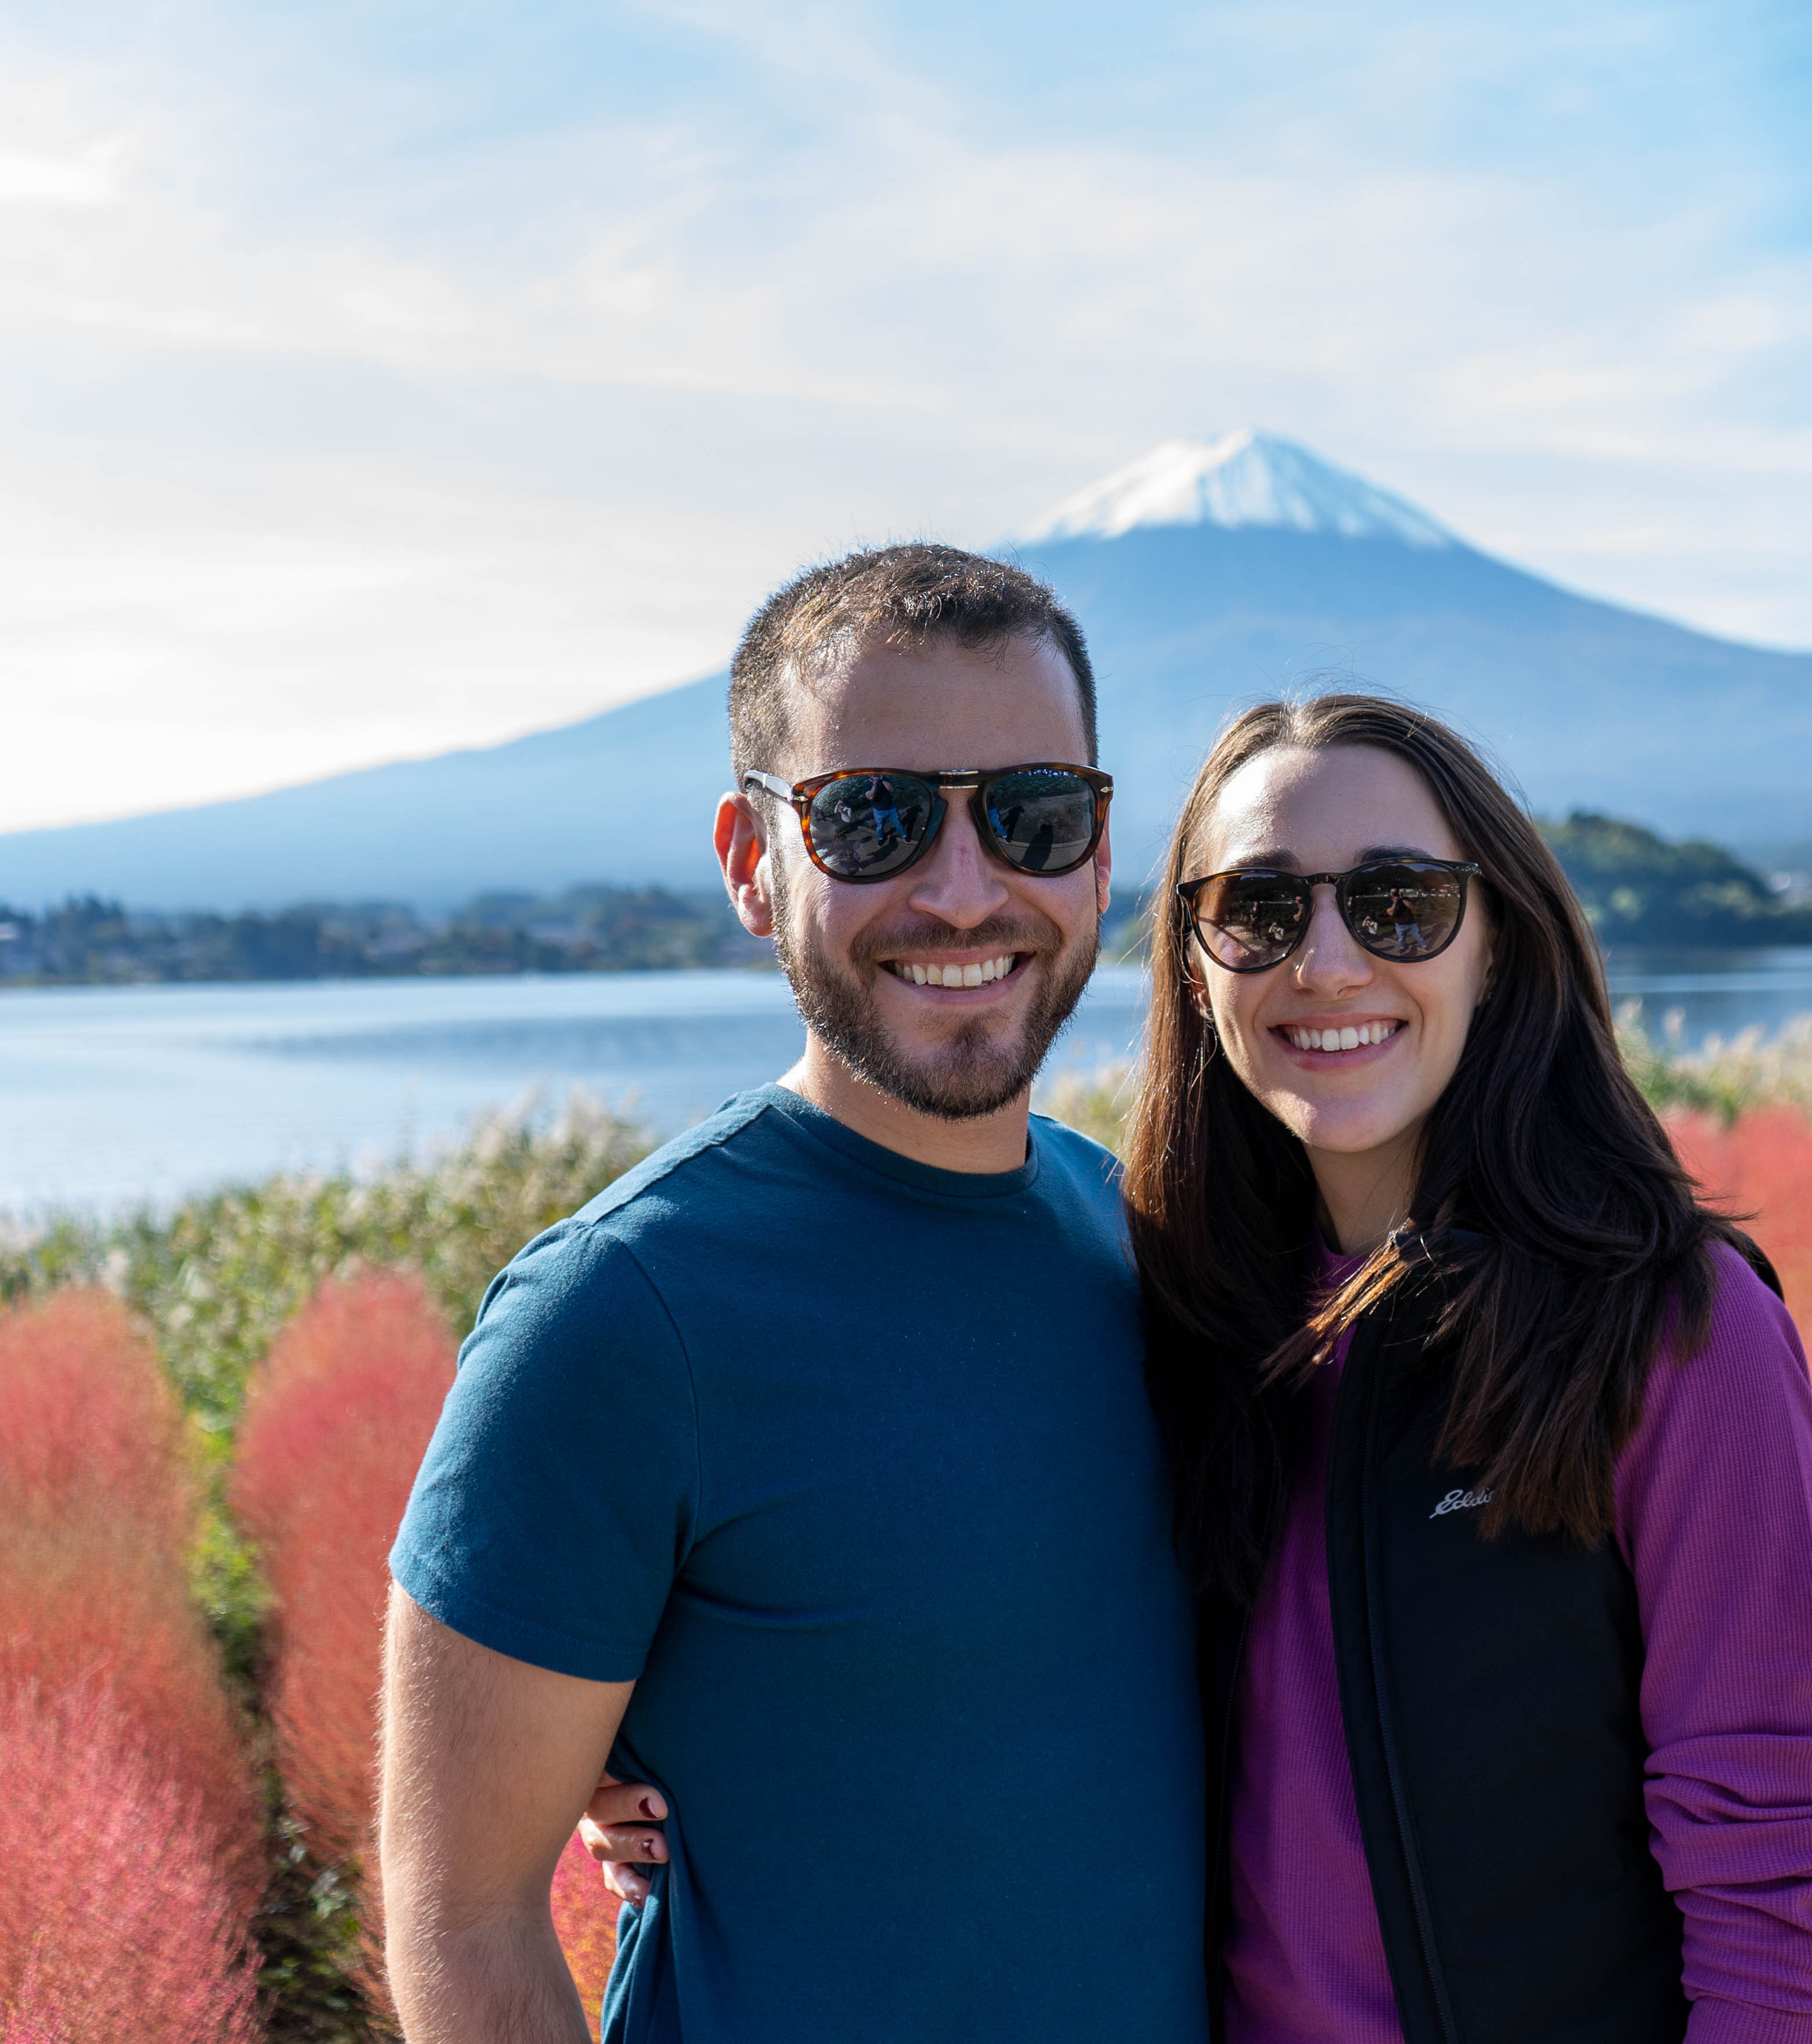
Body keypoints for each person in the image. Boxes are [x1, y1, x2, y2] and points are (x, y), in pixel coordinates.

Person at [593, 694, 1812, 2042]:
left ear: (1494, 942)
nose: (1324, 962)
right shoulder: (1171, 1313)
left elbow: (1763, 1854)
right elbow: (949, 1636)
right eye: (1257, 909)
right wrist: (666, 1755)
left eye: (1399, 902)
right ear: (1195, 962)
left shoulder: (1669, 1328)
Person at [378, 546, 1204, 2044]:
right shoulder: (620, 1315)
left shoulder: (1150, 1243)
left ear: (1095, 856)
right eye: (873, 820)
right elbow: (462, 1919)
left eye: (1031, 814)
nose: (964, 894)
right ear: (753, 860)